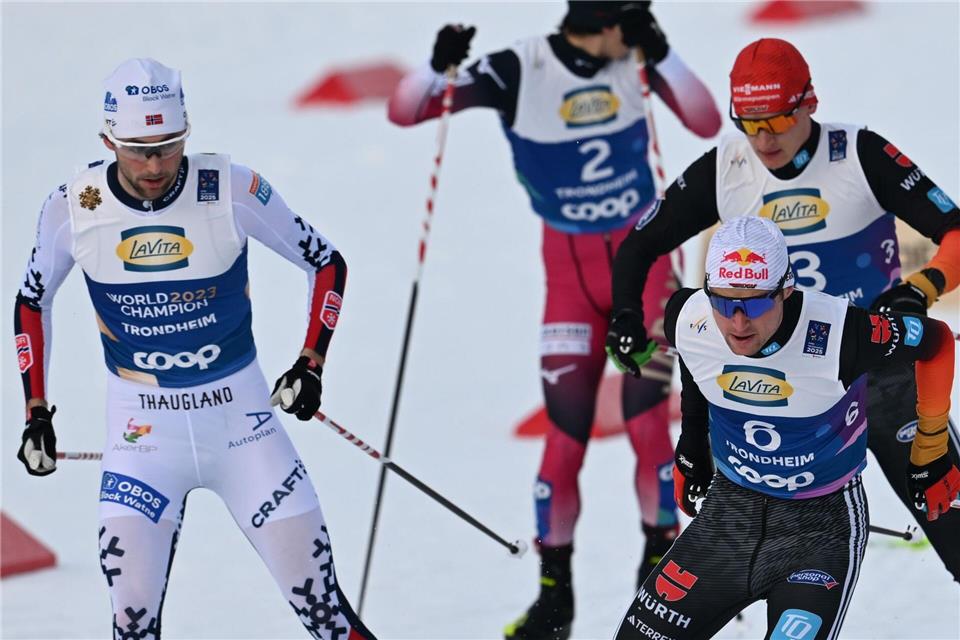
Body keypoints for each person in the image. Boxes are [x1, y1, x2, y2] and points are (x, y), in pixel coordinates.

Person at [388, 2, 721, 637]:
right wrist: (436, 67)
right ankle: (554, 597)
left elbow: (705, 120)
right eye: (636, 17)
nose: (643, 27)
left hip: (646, 269)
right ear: (607, 22)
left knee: (649, 425)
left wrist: (662, 50)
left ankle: (658, 571)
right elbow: (408, 110)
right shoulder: (521, 68)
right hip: (569, 281)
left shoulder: (634, 58)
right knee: (563, 438)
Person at [12, 58, 375, 640]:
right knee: (132, 623)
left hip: (245, 430)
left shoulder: (231, 189)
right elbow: (32, 301)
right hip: (142, 441)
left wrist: (311, 363)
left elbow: (326, 262)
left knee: (326, 615)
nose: (155, 165)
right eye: (137, 150)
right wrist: (36, 412)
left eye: (169, 146)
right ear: (108, 141)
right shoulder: (74, 206)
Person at [607, 37, 960, 582]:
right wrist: (625, 315)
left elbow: (954, 229)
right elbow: (638, 244)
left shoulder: (857, 153)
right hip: (776, 394)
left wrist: (922, 287)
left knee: (951, 521)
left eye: (776, 120)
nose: (763, 139)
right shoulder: (727, 167)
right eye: (749, 123)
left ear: (809, 103)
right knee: (757, 559)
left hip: (877, 367)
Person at [613, 215, 959, 639]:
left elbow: (937, 343)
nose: (738, 324)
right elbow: (696, 366)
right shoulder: (687, 316)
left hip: (820, 530)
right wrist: (691, 449)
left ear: (786, 289)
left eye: (756, 304)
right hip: (728, 516)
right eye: (724, 304)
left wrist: (931, 448)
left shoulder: (840, 332)